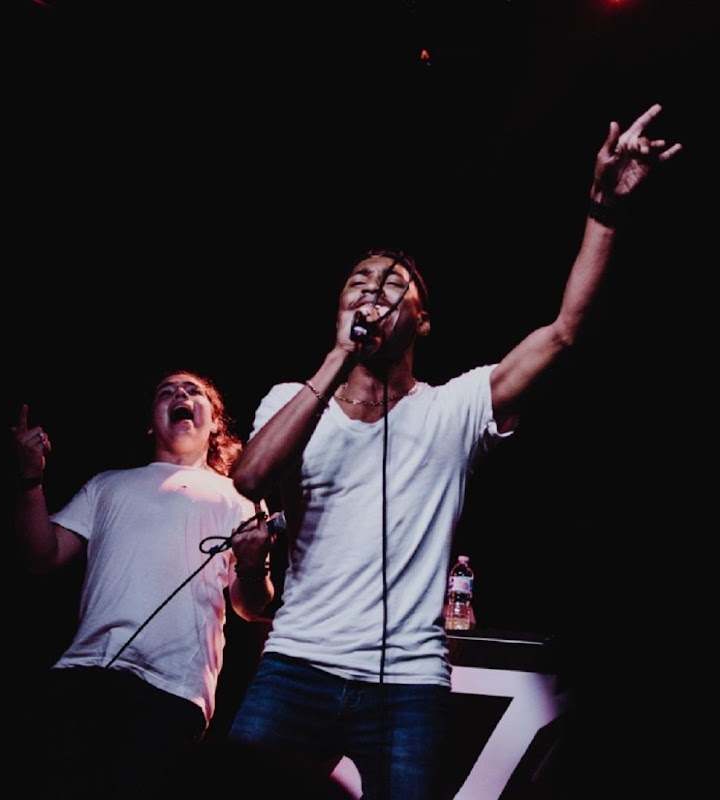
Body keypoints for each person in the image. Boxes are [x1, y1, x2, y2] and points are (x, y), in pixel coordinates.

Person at [224, 103, 683, 799]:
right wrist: (337, 358)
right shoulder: (294, 398)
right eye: (358, 284)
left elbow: (564, 332)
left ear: (423, 320)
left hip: (408, 682)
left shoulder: (453, 408)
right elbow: (251, 475)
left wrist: (604, 212)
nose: (372, 292)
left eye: (392, 286)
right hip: (297, 665)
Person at [9, 369, 276, 799]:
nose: (180, 394)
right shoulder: (108, 484)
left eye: (192, 391)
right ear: (152, 422)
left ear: (214, 423)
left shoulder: (239, 497)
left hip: (172, 690)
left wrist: (252, 565)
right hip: (82, 673)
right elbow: (42, 556)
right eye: (166, 392)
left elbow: (252, 606)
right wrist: (30, 479)